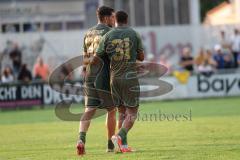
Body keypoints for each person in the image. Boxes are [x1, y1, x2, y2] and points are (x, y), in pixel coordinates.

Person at [94, 10, 144, 153]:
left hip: (114, 78)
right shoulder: (134, 34)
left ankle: (123, 147)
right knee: (132, 112)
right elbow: (141, 56)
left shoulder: (108, 35)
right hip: (129, 78)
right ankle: (119, 136)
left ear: (114, 19)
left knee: (121, 112)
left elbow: (97, 58)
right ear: (127, 19)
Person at [76, 6, 116, 155]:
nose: (114, 20)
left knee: (89, 110)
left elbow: (85, 58)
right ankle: (110, 146)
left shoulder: (88, 33)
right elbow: (114, 57)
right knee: (111, 110)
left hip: (89, 75)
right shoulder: (110, 33)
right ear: (106, 18)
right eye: (112, 17)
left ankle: (81, 139)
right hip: (103, 74)